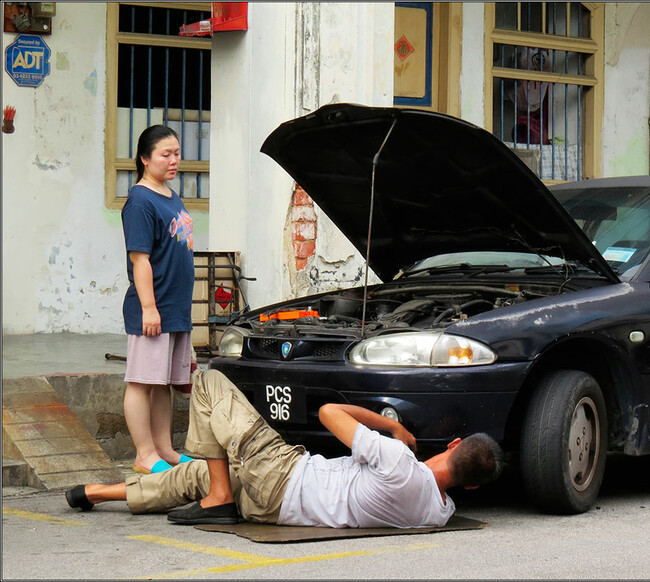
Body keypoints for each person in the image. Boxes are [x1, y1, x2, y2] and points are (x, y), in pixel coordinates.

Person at [66, 369, 504, 528]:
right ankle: (102, 493)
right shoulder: (436, 515)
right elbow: (437, 487)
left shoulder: (399, 462)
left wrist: (391, 426)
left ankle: (219, 498)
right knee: (198, 474)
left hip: (283, 473)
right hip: (274, 511)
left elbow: (332, 412)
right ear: (470, 491)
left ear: (453, 443)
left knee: (208, 383)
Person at [121, 125, 196, 474]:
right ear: (145, 158)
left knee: (163, 381)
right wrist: (149, 308)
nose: (174, 160)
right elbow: (140, 259)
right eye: (165, 154)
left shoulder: (170, 195)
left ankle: (164, 449)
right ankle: (144, 455)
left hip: (175, 307)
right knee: (141, 380)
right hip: (154, 307)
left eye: (177, 153)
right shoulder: (140, 200)